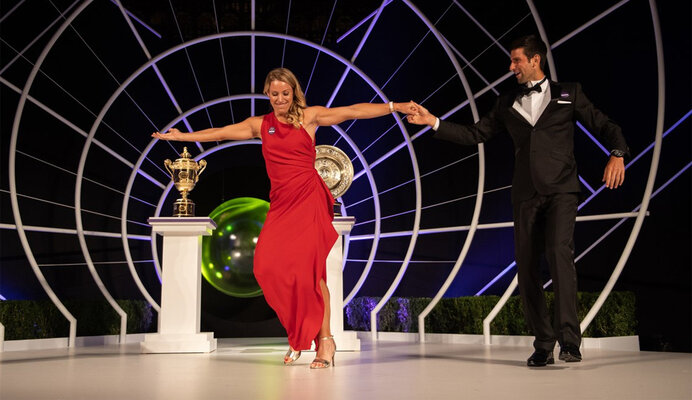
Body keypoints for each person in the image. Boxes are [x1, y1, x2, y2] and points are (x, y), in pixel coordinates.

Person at [153, 67, 414, 369]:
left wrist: (395, 106)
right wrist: (182, 136)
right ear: (268, 93)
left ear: (294, 93)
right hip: (281, 203)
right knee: (266, 266)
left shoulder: (309, 117)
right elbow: (221, 132)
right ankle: (299, 332)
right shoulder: (260, 124)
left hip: (308, 198)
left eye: (285, 93)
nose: (280, 99)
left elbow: (352, 111)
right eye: (275, 93)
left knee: (311, 273)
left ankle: (325, 342)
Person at [407, 34, 628, 367]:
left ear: (535, 60)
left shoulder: (569, 92)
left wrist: (618, 154)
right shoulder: (506, 101)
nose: (511, 67)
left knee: (559, 254)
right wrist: (432, 122)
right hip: (525, 194)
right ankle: (543, 344)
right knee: (526, 268)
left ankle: (570, 342)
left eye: (516, 60)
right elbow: (475, 134)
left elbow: (604, 125)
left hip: (561, 190)